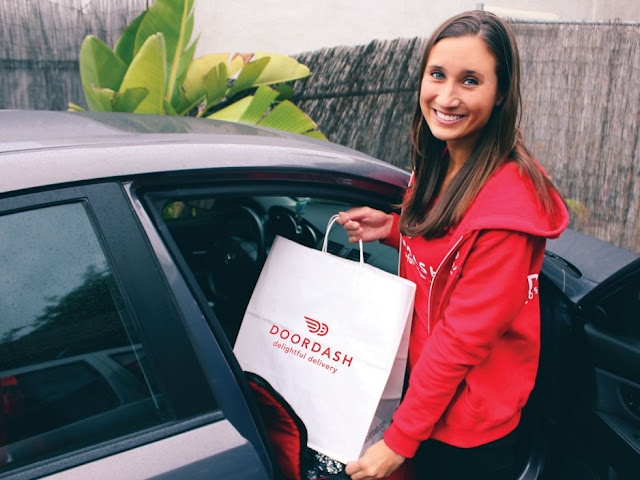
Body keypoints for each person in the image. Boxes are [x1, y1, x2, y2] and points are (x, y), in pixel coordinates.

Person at [340, 10, 569, 480]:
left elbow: (460, 341)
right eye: (437, 75)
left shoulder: (508, 211)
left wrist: (399, 441)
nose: (446, 97)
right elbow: (448, 248)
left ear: (501, 92)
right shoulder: (442, 158)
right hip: (423, 395)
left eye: (470, 81)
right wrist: (394, 229)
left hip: (468, 424)